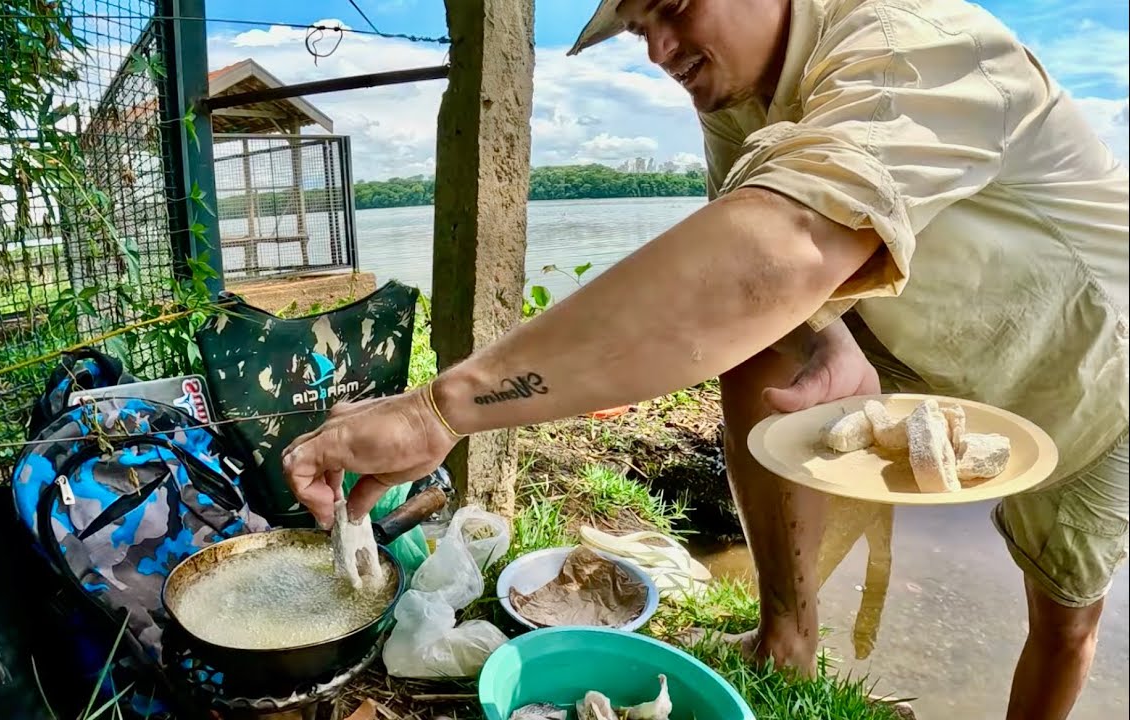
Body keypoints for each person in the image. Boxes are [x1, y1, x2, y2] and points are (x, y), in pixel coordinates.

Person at [282, 0, 1129, 717]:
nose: (658, 50)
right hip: (920, 342)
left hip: (1083, 373)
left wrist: (439, 408)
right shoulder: (736, 95)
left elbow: (783, 246)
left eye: (675, 3)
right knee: (757, 347)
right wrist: (833, 340)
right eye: (638, 23)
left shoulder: (919, 45)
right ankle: (784, 638)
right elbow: (770, 278)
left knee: (1063, 613)